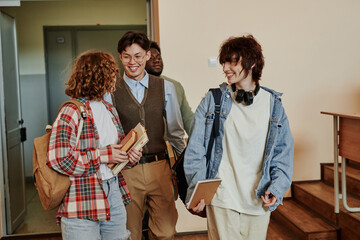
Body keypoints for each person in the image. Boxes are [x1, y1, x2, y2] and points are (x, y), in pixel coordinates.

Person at [184, 35, 294, 239]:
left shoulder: (274, 105)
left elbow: (282, 154)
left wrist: (276, 188)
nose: (225, 68)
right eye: (224, 62)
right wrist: (198, 190)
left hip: (258, 200)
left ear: (252, 63)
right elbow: (195, 149)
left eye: (232, 61)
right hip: (222, 198)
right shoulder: (213, 100)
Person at [47, 51, 142, 240]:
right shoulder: (71, 110)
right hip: (82, 197)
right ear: (99, 77)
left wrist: (129, 157)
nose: (116, 77)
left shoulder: (109, 109)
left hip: (113, 191)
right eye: (112, 73)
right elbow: (59, 159)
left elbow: (116, 153)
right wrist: (103, 156)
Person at [111, 31, 187, 240]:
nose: (132, 62)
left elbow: (175, 133)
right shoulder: (111, 91)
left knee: (166, 232)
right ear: (120, 57)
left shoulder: (166, 88)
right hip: (125, 171)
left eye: (138, 56)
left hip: (159, 167)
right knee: (129, 233)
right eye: (127, 56)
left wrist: (185, 169)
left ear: (147, 56)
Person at [145, 41, 194, 134]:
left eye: (159, 57)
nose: (156, 60)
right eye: (151, 58)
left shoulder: (175, 86)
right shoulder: (137, 88)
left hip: (172, 145)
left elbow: (187, 118)